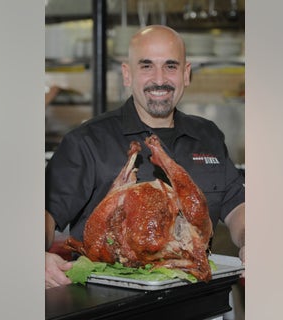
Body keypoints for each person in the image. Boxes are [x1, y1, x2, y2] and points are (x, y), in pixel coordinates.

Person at [45, 25, 245, 289]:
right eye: (146, 66)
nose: (159, 79)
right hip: (112, 302)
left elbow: (238, 207)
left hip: (199, 302)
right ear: (127, 74)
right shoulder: (87, 141)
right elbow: (45, 213)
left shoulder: (207, 135)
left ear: (186, 74)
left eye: (171, 66)